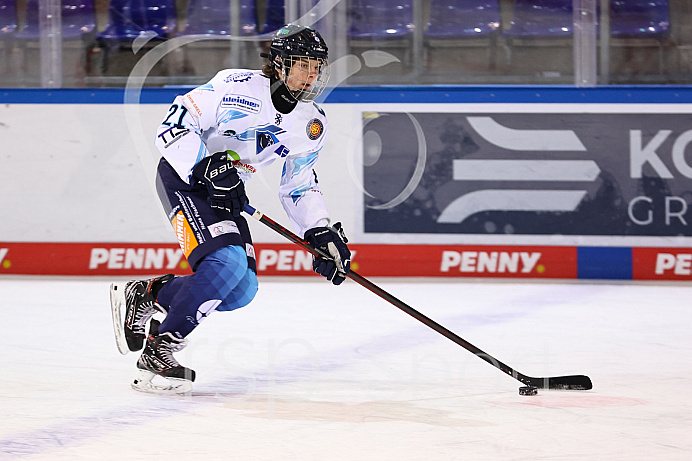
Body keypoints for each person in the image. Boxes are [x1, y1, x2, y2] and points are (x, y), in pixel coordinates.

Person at [109, 24, 351, 395]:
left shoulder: (311, 124)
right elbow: (172, 125)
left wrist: (317, 229)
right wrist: (202, 164)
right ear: (280, 64)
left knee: (241, 289)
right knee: (229, 264)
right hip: (185, 177)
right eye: (304, 65)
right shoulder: (234, 87)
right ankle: (160, 350)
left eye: (318, 67)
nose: (313, 74)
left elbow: (299, 184)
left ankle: (148, 294)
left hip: (226, 191)